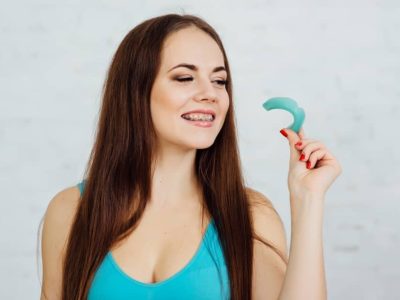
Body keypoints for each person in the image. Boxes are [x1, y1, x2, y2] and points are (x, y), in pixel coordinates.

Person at [39, 13, 342, 300]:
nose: (210, 93)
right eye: (185, 78)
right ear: (135, 91)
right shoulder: (70, 211)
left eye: (219, 81)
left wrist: (308, 199)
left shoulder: (249, 215)